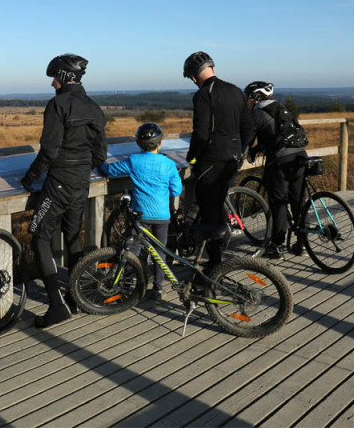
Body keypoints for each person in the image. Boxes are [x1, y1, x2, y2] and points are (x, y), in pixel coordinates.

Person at [21, 53, 107, 328]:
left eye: (55, 78)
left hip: (58, 183)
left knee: (39, 237)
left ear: (65, 77)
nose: (52, 84)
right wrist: (82, 167)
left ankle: (57, 307)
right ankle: (76, 297)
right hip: (82, 181)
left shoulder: (58, 105)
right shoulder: (94, 107)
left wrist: (29, 178)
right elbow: (101, 155)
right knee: (72, 238)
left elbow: (49, 150)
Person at [183, 51, 255, 267]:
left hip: (211, 162)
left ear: (195, 76)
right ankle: (216, 260)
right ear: (212, 67)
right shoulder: (235, 91)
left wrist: (192, 158)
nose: (194, 82)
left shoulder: (203, 94)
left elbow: (201, 134)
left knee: (209, 214)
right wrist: (240, 151)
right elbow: (249, 127)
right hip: (232, 161)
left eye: (192, 78)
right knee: (218, 208)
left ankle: (214, 266)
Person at [98, 123, 183, 300]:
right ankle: (158, 289)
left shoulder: (134, 161)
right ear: (159, 144)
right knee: (160, 252)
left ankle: (128, 285)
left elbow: (110, 170)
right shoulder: (168, 164)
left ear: (139, 144)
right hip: (162, 216)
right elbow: (176, 191)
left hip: (140, 216)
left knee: (133, 250)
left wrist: (99, 163)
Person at [245, 81, 308, 259]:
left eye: (248, 97)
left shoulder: (258, 113)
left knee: (278, 201)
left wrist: (247, 150)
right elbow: (273, 135)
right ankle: (302, 244)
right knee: (298, 200)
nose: (247, 101)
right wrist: (258, 149)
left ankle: (277, 245)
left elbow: (248, 137)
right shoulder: (282, 108)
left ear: (256, 98)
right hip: (301, 156)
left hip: (281, 159)